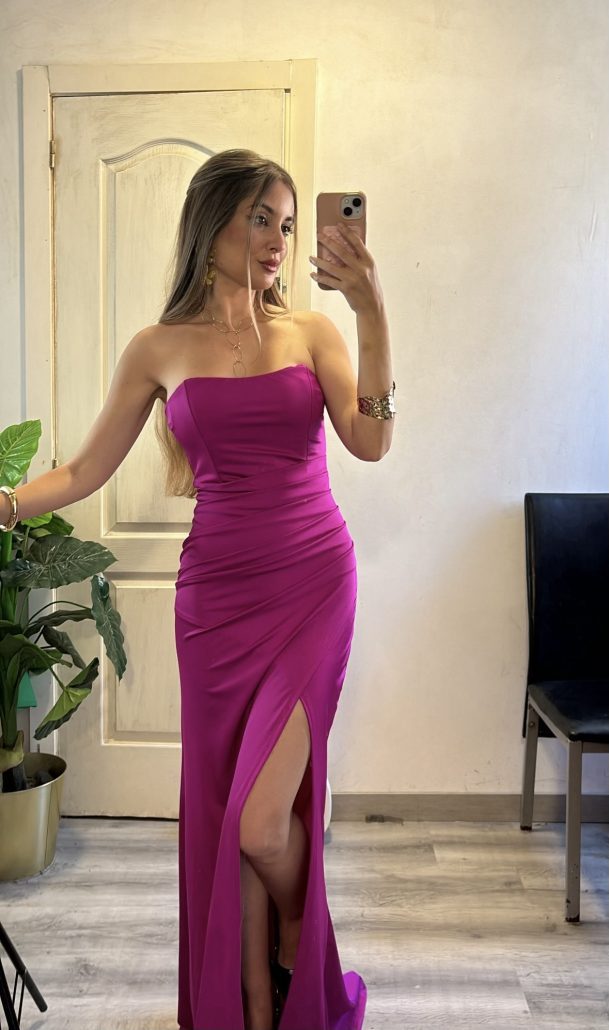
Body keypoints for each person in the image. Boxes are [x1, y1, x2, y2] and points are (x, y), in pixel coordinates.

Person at [0, 149, 395, 1030]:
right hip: (214, 603)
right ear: (209, 222)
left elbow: (370, 442)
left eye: (286, 224)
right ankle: (249, 1005)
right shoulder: (158, 347)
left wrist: (370, 312)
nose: (278, 240)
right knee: (225, 806)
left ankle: (295, 939)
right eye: (260, 218)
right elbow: (84, 470)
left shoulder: (312, 333)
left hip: (312, 585)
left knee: (262, 821)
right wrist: (5, 504)